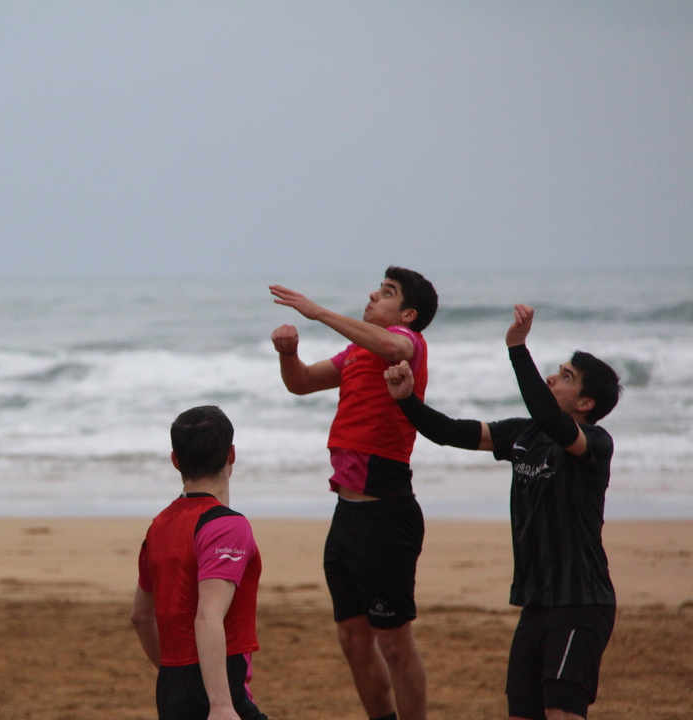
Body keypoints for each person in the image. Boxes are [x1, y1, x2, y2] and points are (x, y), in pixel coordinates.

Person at [384, 304, 622, 720]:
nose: (552, 378)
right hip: (535, 604)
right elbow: (450, 432)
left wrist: (517, 348)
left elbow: (549, 416)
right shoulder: (523, 433)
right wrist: (407, 401)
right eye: (557, 371)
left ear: (586, 402)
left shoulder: (594, 444)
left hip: (580, 602)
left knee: (561, 713)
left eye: (566, 377)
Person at [270, 266, 438, 720]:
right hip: (346, 514)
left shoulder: (408, 344)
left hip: (386, 515)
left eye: (387, 293)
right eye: (378, 289)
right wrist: (289, 353)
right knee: (352, 638)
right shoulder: (356, 352)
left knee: (394, 644)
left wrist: (317, 312)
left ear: (408, 313)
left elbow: (395, 347)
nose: (373, 295)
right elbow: (301, 383)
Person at [130, 406, 270, 720]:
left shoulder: (158, 526)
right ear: (231, 454)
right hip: (220, 694)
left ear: (176, 460)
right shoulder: (227, 526)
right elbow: (208, 615)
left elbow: (140, 616)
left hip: (172, 692)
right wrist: (220, 704)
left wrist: (176, 676)